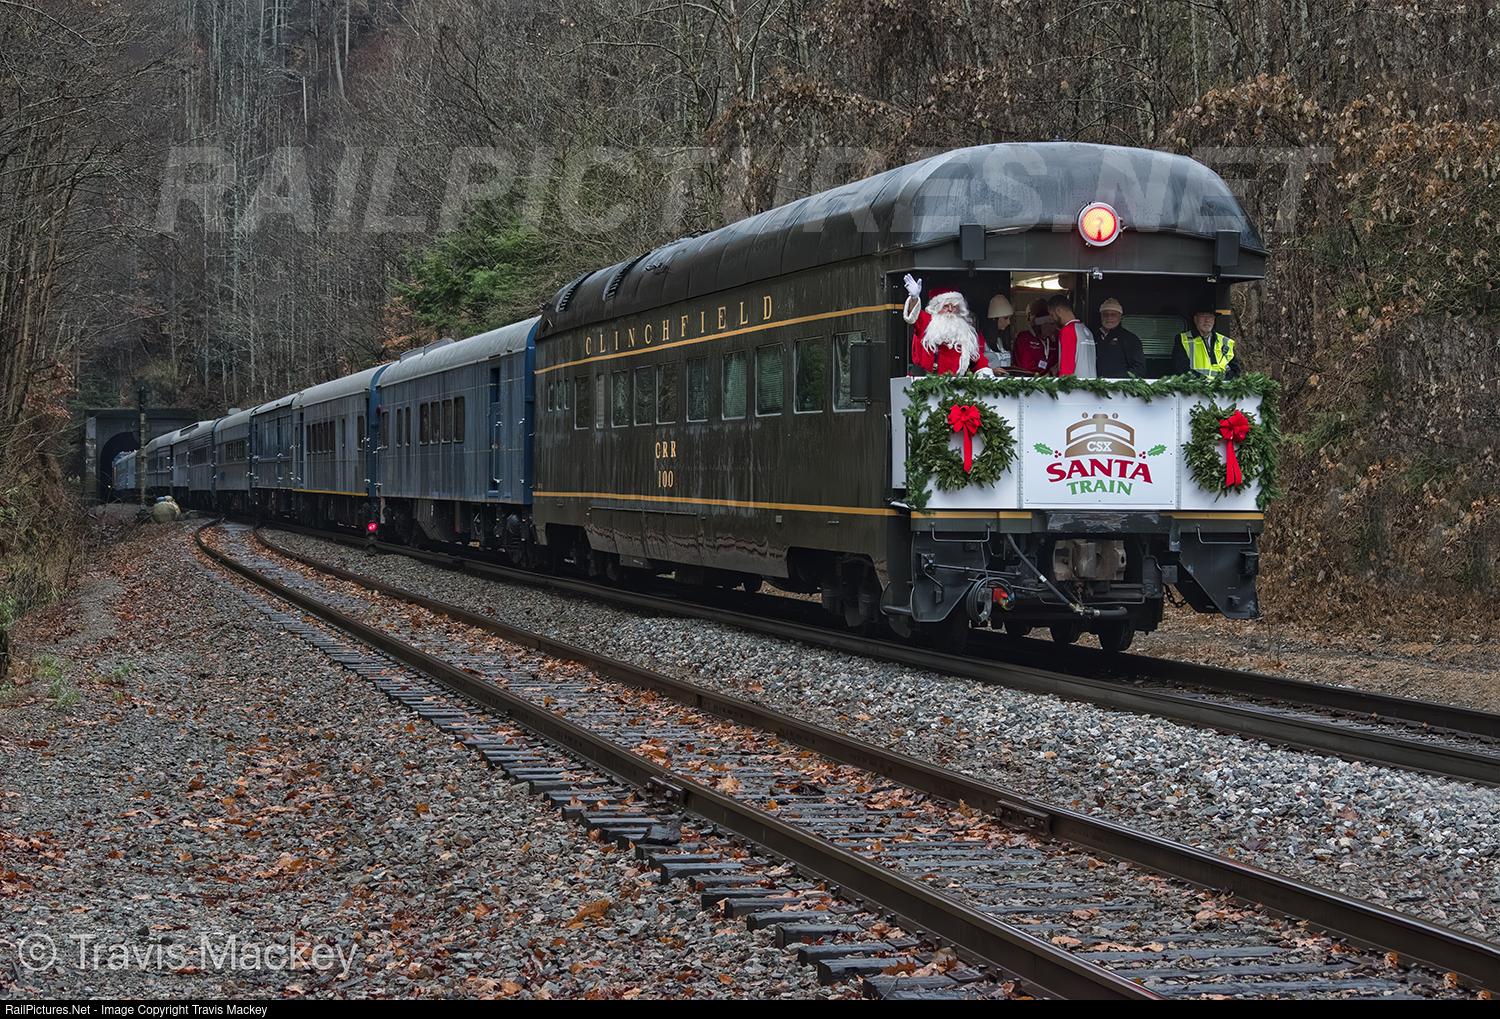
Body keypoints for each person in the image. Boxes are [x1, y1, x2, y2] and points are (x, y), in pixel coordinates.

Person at [902, 274, 995, 377]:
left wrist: (984, 370)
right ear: (936, 307)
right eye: (946, 306)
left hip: (955, 383)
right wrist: (914, 298)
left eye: (954, 306)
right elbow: (913, 315)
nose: (950, 310)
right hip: (925, 381)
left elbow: (976, 358)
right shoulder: (927, 321)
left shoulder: (963, 330)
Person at [1171, 308, 1240, 378]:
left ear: (1214, 320)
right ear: (1195, 319)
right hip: (1195, 384)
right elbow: (1181, 369)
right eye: (1203, 316)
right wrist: (1204, 380)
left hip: (1221, 384)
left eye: (1210, 317)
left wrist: (1220, 380)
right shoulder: (1182, 339)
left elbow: (1235, 372)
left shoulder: (1226, 342)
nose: (1207, 320)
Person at [1047, 294, 1096, 378]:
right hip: (1091, 382)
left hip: (1076, 384)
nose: (1053, 319)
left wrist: (1062, 382)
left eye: (1052, 315)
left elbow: (1066, 369)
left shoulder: (1068, 330)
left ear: (1058, 310)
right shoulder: (1086, 330)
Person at [1095, 297, 1146, 378]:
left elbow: (1139, 368)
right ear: (1101, 316)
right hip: (1094, 384)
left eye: (1113, 315)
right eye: (1105, 314)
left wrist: (1121, 382)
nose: (1109, 318)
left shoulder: (1130, 339)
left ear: (1120, 316)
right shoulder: (1093, 336)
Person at [1011, 299, 1056, 374]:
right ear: (1040, 324)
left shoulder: (1054, 339)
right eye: (1050, 324)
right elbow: (1026, 367)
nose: (1054, 327)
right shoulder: (1024, 338)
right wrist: (1048, 372)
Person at [984, 294, 1014, 370]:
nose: (1008, 322)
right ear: (994, 318)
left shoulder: (1004, 340)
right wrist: (992, 371)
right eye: (1005, 318)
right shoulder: (981, 341)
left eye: (1010, 318)